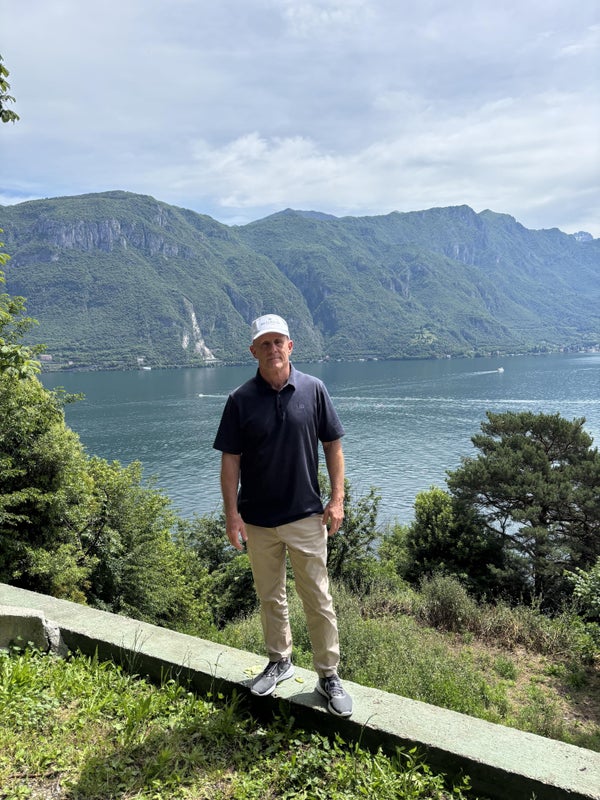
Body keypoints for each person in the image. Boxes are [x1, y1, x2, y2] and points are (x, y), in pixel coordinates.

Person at [213, 313, 352, 717]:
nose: (273, 349)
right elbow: (230, 461)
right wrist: (232, 515)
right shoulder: (240, 400)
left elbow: (333, 445)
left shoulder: (314, 389)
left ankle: (328, 675)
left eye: (279, 342)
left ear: (291, 347)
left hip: (306, 515)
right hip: (257, 520)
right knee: (270, 597)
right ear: (253, 351)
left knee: (318, 598)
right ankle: (280, 660)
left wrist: (337, 499)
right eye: (265, 343)